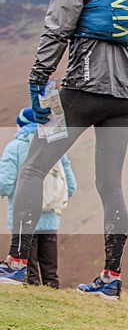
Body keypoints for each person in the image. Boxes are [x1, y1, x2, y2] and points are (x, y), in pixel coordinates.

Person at [0, 0, 128, 300]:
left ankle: (15, 265)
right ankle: (111, 278)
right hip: (123, 98)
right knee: (110, 185)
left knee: (33, 167)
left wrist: (38, 79)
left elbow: (58, 27)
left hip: (80, 92)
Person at [0, 109, 77, 287]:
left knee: (28, 270)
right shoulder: (57, 148)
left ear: (22, 124)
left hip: (22, 219)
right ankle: (56, 304)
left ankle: (32, 301)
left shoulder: (16, 147)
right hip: (50, 220)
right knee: (50, 272)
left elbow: (5, 184)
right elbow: (70, 188)